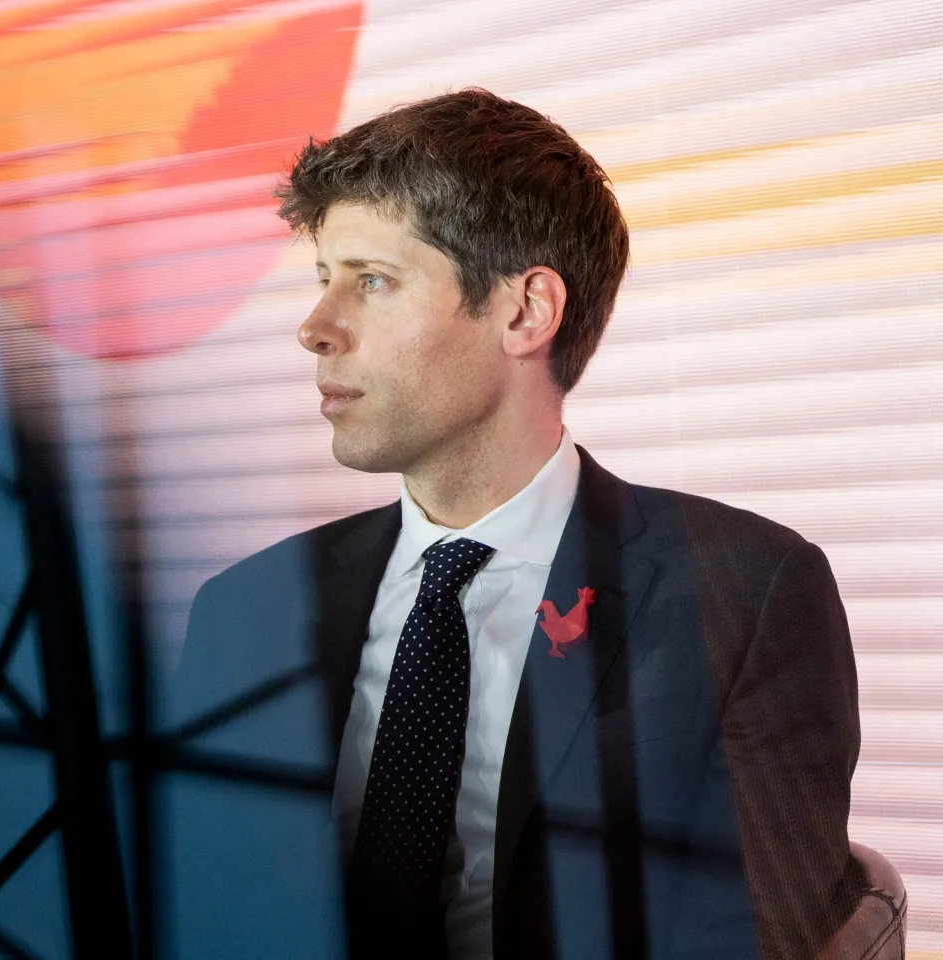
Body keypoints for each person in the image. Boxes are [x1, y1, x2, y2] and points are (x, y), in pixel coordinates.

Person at [173, 88, 861, 958]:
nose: (315, 328)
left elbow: (758, 940)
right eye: (322, 281)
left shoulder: (743, 593)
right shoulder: (245, 608)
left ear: (526, 311)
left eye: (372, 282)